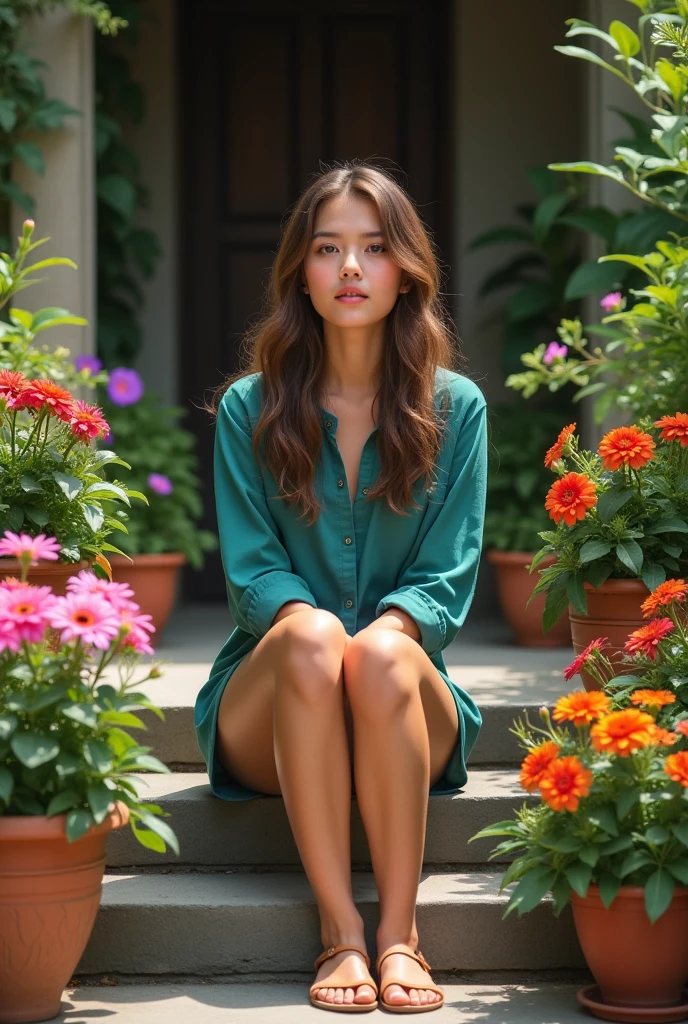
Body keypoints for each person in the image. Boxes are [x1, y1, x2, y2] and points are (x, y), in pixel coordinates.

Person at [194, 161, 488, 1014]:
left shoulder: (455, 408)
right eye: (328, 249)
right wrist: (322, 632)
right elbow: (253, 577)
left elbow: (447, 579)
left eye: (373, 248)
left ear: (407, 273)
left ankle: (399, 936)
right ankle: (340, 934)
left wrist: (386, 635)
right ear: (302, 274)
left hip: (403, 700)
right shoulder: (252, 408)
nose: (351, 268)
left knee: (386, 655)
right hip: (274, 696)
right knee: (316, 636)